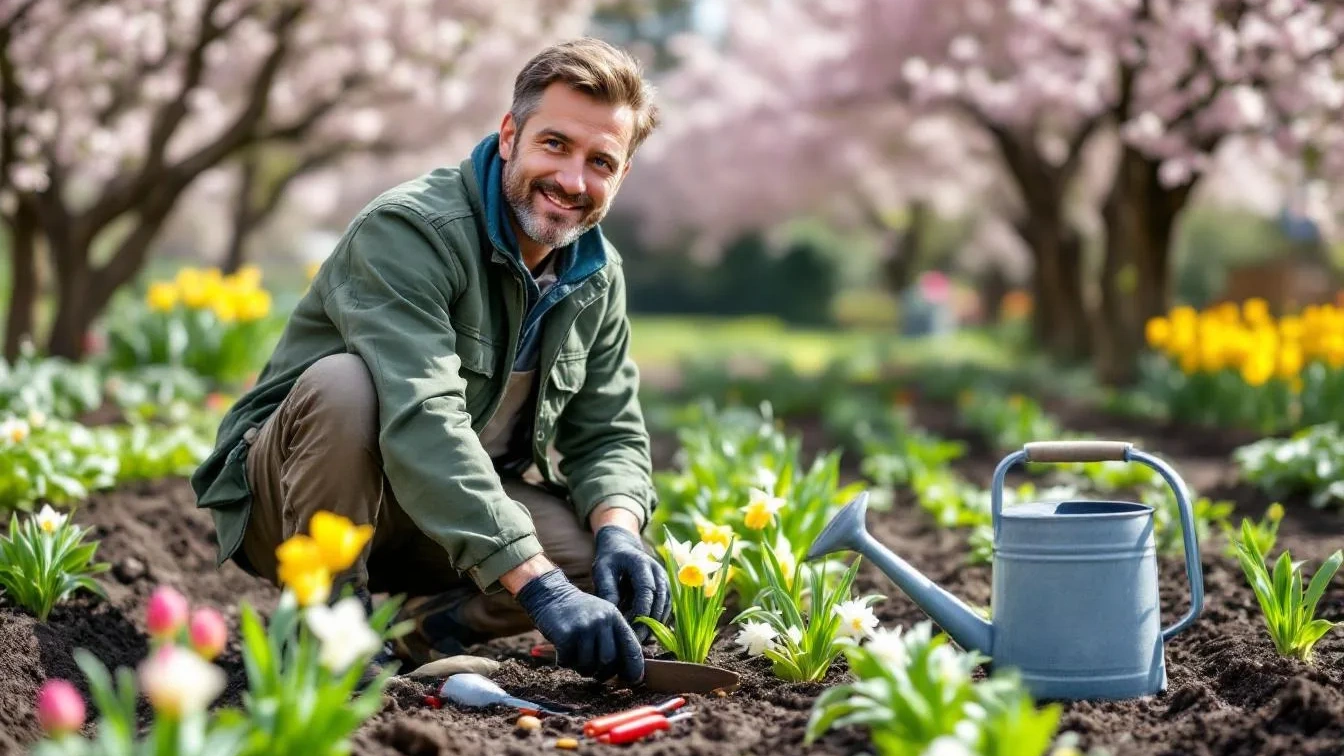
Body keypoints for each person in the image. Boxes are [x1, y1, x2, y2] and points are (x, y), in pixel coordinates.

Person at [190, 38, 670, 685]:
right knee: (345, 384)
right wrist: (540, 587)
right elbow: (423, 415)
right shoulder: (411, 231)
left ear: (623, 175)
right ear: (510, 136)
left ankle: (427, 631)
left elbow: (608, 430)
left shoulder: (596, 275)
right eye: (555, 144)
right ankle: (323, 628)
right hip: (299, 502)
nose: (571, 180)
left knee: (595, 565)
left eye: (600, 162)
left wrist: (620, 529)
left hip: (438, 518)